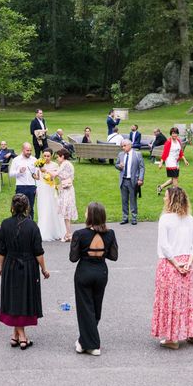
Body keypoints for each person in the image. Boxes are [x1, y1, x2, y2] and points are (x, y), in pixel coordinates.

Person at [151, 187, 193, 350]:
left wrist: (174, 262)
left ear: (171, 200)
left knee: (170, 301)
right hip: (186, 262)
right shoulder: (190, 219)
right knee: (186, 300)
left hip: (169, 264)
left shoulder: (165, 219)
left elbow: (164, 245)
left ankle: (172, 338)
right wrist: (189, 261)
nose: (164, 199)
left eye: (166, 197)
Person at [0, 194, 50, 350]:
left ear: (13, 207)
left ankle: (15, 335)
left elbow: (2, 250)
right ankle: (22, 337)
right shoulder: (32, 226)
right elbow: (38, 252)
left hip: (10, 265)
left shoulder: (5, 224)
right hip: (28, 267)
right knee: (23, 299)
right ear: (27, 207)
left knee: (14, 298)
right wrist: (44, 269)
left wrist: (1, 266)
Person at [70, 202, 118, 356]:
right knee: (96, 308)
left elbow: (73, 258)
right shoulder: (110, 234)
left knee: (85, 309)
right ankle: (84, 341)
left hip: (84, 272)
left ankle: (92, 344)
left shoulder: (79, 234)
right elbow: (114, 256)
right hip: (101, 273)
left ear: (90, 216)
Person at [36, 149, 66, 242]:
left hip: (50, 188)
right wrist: (35, 176)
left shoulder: (55, 165)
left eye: (48, 156)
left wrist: (46, 170)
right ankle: (43, 229)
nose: (46, 158)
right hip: (41, 188)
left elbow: (55, 176)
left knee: (52, 208)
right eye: (44, 156)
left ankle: (55, 230)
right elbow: (38, 177)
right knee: (43, 208)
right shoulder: (39, 164)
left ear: (51, 156)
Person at [115, 139, 145, 225]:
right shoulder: (121, 154)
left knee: (133, 200)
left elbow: (142, 167)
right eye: (122, 146)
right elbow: (116, 165)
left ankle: (134, 217)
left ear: (129, 145)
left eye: (124, 146)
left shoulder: (137, 154)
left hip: (133, 181)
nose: (123, 148)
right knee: (124, 200)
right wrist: (119, 166)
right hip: (123, 180)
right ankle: (125, 217)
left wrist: (140, 178)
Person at [53, 148, 78, 241]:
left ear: (62, 156)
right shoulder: (66, 164)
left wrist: (44, 170)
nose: (57, 159)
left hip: (67, 190)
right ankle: (68, 233)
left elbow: (55, 174)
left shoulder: (65, 163)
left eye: (58, 157)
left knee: (66, 211)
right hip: (65, 189)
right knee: (66, 212)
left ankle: (69, 234)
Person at [9, 143, 39, 220]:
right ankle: (18, 224)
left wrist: (37, 187)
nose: (29, 152)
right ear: (23, 150)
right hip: (21, 186)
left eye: (30, 150)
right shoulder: (16, 160)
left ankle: (30, 225)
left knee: (30, 208)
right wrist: (19, 172)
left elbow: (37, 175)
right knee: (18, 208)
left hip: (32, 187)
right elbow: (11, 174)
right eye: (27, 150)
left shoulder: (34, 160)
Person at [157, 127, 189, 195]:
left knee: (174, 178)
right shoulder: (168, 142)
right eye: (173, 133)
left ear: (177, 134)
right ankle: (176, 194)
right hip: (170, 161)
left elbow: (180, 152)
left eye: (175, 133)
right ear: (171, 134)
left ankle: (160, 187)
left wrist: (185, 160)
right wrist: (161, 163)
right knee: (175, 179)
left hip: (176, 161)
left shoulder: (178, 141)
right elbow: (164, 153)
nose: (174, 135)